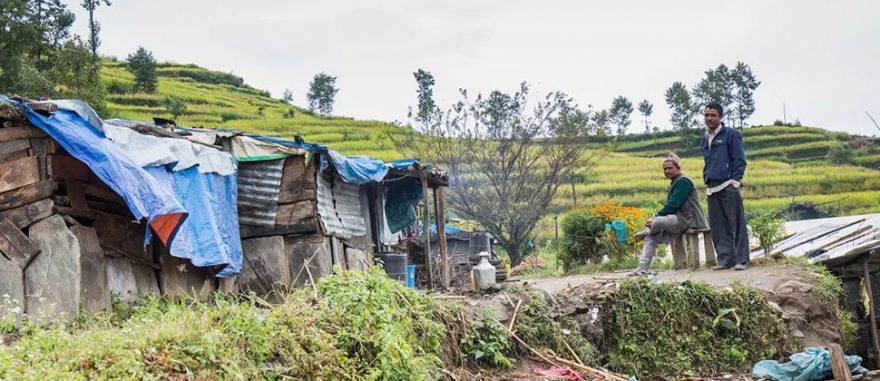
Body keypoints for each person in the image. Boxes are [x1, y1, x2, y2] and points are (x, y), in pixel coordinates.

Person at [634, 153, 709, 274]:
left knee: (657, 221)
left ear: (678, 168)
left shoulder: (683, 182)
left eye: (670, 168)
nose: (667, 171)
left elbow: (673, 205)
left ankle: (646, 230)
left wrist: (655, 217)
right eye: (665, 169)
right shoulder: (675, 183)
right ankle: (642, 269)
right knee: (651, 238)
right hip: (677, 220)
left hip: (689, 220)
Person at [699, 102, 749, 271]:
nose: (709, 118)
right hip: (712, 187)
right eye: (706, 115)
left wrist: (736, 179)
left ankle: (741, 260)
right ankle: (725, 259)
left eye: (713, 115)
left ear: (721, 117)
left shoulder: (731, 134)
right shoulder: (705, 137)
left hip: (728, 184)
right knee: (718, 226)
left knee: (737, 223)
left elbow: (739, 158)